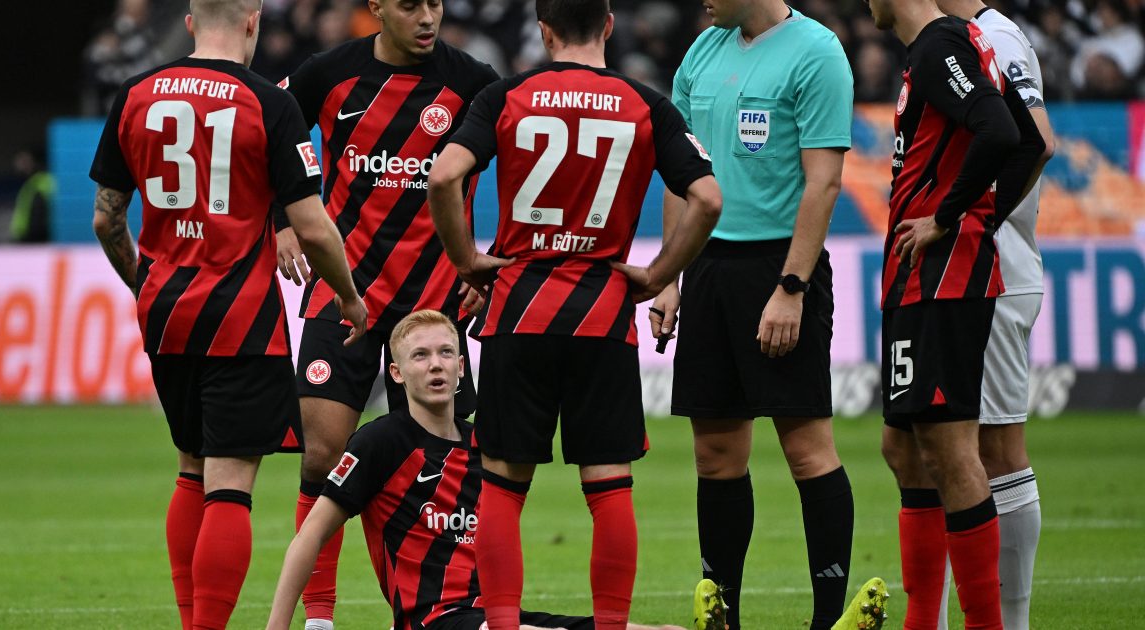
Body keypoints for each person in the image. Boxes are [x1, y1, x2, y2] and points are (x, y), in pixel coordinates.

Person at [428, 1, 723, 627]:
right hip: (602, 313)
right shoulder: (645, 103)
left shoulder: (506, 95)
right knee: (609, 487)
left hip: (520, 309)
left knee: (504, 488)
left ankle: (502, 625)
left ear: (544, 30)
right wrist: (660, 274)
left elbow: (443, 177)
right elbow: (706, 197)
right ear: (609, 25)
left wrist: (466, 261)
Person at [88, 1, 367, 627]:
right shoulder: (268, 102)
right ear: (253, 21)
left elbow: (107, 217)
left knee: (190, 466)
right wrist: (347, 296)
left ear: (190, 23)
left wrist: (144, 282)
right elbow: (314, 229)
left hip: (164, 311)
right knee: (229, 485)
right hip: (239, 315)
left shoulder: (136, 94)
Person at [270, 2, 500, 627]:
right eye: (409, 4)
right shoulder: (329, 72)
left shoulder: (475, 81)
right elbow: (266, 125)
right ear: (376, 8)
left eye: (435, 3)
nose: (427, 16)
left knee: (437, 471)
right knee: (323, 455)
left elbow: (530, 164)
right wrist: (279, 222)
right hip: (345, 291)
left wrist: (489, 262)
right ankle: (319, 618)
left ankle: (422, 610)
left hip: (434, 307)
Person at [267, 310, 687, 630]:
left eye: (446, 352)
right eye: (420, 356)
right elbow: (311, 536)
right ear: (396, 373)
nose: (436, 364)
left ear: (462, 367)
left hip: (495, 614)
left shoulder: (487, 445)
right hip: (435, 621)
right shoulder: (380, 442)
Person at [651, 0, 855, 627]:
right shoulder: (703, 49)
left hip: (779, 267)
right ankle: (724, 614)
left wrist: (791, 286)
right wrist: (669, 277)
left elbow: (822, 182)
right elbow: (680, 177)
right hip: (707, 266)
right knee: (714, 452)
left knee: (805, 447)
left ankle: (827, 616)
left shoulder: (817, 52)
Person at [865, 0, 1046, 628]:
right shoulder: (951, 45)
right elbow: (1029, 142)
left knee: (952, 452)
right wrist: (981, 217)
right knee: (905, 448)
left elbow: (1000, 132)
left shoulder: (942, 44)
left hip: (942, 283)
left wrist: (951, 219)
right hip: (923, 279)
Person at [928, 4, 1055, 629]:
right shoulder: (966, 37)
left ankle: (1011, 621)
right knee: (952, 452)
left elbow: (1036, 140)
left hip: (993, 272)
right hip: (976, 271)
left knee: (994, 451)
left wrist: (972, 221)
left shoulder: (995, 37)